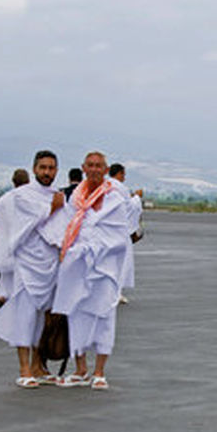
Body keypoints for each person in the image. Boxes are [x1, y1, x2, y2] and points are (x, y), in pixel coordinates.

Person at [42, 152, 132, 390]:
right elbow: (68, 227)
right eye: (89, 166)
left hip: (103, 268)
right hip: (77, 265)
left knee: (103, 316)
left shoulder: (114, 199)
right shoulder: (76, 199)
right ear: (83, 168)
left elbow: (119, 237)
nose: (93, 170)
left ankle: (99, 370)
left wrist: (92, 248)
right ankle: (81, 368)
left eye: (98, 166)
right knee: (76, 314)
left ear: (105, 169)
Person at [0, 150, 65, 387]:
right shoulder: (21, 197)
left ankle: (38, 367)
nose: (47, 172)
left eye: (51, 168)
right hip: (27, 265)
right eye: (43, 167)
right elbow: (23, 227)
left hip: (50, 265)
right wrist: (51, 208)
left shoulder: (58, 197)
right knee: (25, 316)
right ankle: (24, 369)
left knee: (43, 319)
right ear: (34, 169)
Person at [108, 163, 143, 305]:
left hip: (106, 232)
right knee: (120, 264)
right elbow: (129, 208)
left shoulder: (104, 185)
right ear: (120, 174)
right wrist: (137, 198)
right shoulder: (120, 188)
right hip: (120, 232)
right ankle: (116, 293)